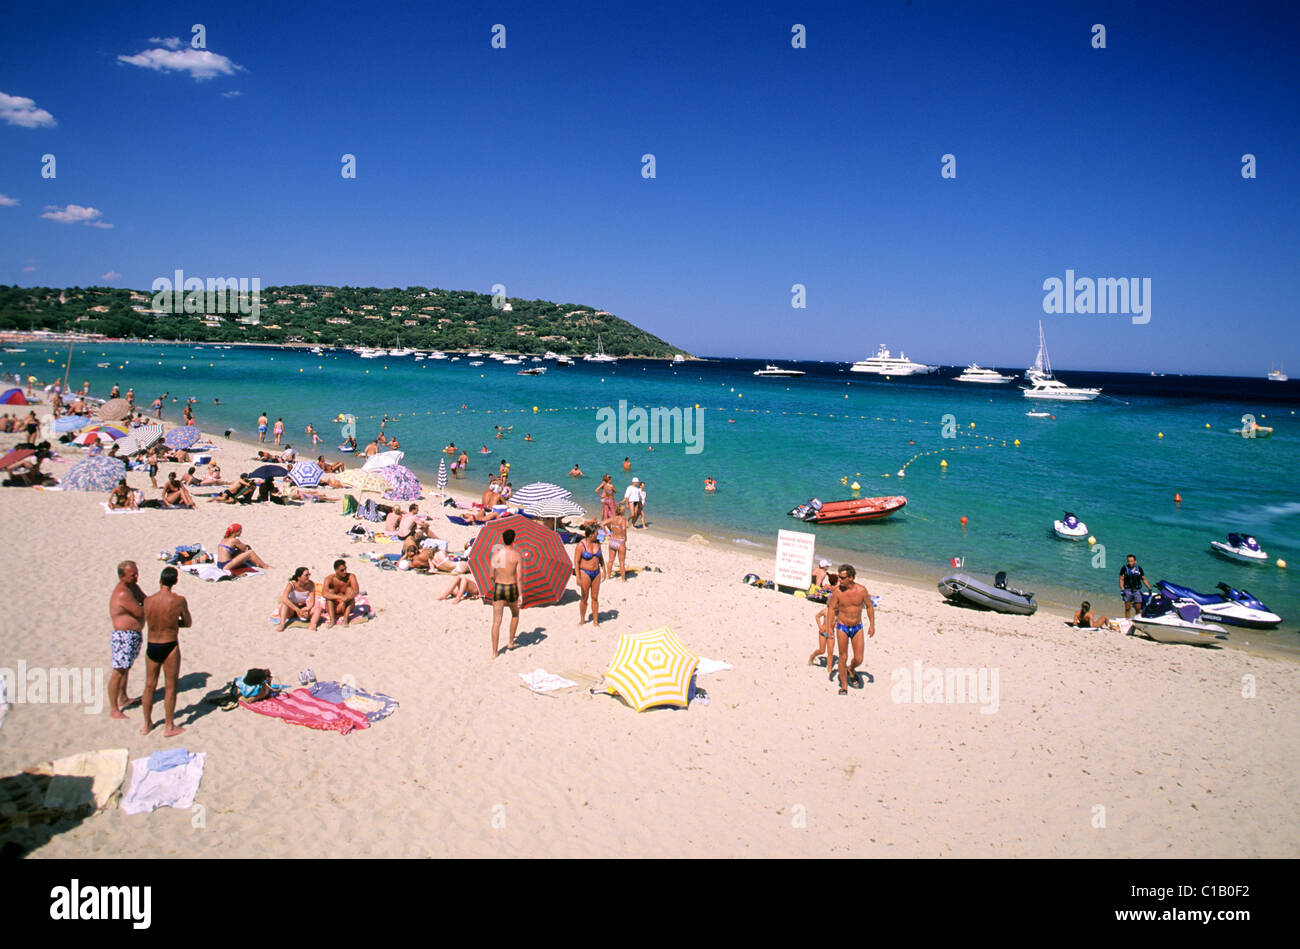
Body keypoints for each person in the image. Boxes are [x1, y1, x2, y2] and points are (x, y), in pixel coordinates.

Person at [140, 566, 191, 737]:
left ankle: (147, 724)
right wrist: (175, 624)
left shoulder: (148, 601)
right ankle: (169, 725)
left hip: (152, 644)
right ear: (175, 581)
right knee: (170, 686)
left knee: (149, 685)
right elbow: (188, 622)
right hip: (170, 644)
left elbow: (146, 620)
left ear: (160, 580)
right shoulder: (179, 601)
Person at [825, 564, 874, 695]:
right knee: (843, 656)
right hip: (842, 626)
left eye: (842, 578)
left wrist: (872, 625)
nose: (839, 580)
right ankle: (844, 685)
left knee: (859, 658)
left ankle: (851, 669)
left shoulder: (861, 590)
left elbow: (869, 606)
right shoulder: (837, 592)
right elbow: (831, 609)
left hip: (857, 627)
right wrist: (829, 627)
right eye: (839, 577)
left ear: (851, 578)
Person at [108, 561, 145, 720]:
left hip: (133, 635)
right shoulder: (123, 593)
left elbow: (146, 600)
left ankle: (123, 697)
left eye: (136, 573)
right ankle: (113, 709)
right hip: (123, 636)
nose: (136, 576)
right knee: (118, 671)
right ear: (122, 576)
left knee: (126, 667)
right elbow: (140, 611)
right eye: (132, 575)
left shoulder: (133, 587)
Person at [489, 528, 524, 657]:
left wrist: (497, 580)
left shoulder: (496, 554)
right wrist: (521, 594)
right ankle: (510, 641)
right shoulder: (516, 555)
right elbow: (519, 578)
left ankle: (494, 652)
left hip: (499, 586)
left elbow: (491, 575)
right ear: (513, 540)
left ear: (503, 540)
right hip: (510, 586)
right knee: (515, 614)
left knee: (496, 620)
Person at [807, 574, 840, 667]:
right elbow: (817, 616)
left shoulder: (838, 613)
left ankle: (829, 669)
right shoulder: (825, 611)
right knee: (822, 650)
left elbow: (839, 622)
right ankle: (812, 656)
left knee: (830, 652)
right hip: (823, 632)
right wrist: (820, 626)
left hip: (831, 633)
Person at [574, 525, 604, 625]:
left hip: (596, 572)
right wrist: (578, 577)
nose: (598, 534)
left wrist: (604, 569)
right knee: (584, 597)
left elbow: (600, 557)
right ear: (590, 535)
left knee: (595, 597)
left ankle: (595, 620)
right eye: (596, 533)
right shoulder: (581, 545)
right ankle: (582, 619)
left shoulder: (598, 543)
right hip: (585, 572)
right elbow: (576, 561)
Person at [323, 559, 359, 627]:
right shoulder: (329, 579)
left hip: (346, 606)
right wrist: (340, 598)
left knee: (349, 590)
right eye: (342, 570)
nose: (345, 572)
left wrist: (343, 601)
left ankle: (345, 620)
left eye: (345, 569)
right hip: (333, 607)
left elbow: (356, 591)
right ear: (336, 570)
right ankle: (332, 620)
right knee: (330, 592)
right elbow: (324, 593)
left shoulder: (351, 576)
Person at [600, 501, 629, 581]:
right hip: (620, 541)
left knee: (611, 560)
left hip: (612, 540)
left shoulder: (612, 518)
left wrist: (607, 534)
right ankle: (623, 579)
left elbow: (602, 524)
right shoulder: (623, 519)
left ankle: (608, 576)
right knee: (622, 562)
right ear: (623, 512)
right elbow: (623, 528)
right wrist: (625, 537)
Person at [1119, 554, 1152, 619]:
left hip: (1137, 590)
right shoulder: (1124, 568)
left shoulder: (1139, 569)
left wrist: (1149, 588)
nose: (1130, 563)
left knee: (1138, 608)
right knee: (1127, 608)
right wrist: (1122, 589)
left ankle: (1137, 621)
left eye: (1131, 561)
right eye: (1128, 561)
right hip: (1127, 590)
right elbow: (1121, 579)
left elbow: (1144, 579)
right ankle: (1127, 621)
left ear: (1135, 561)